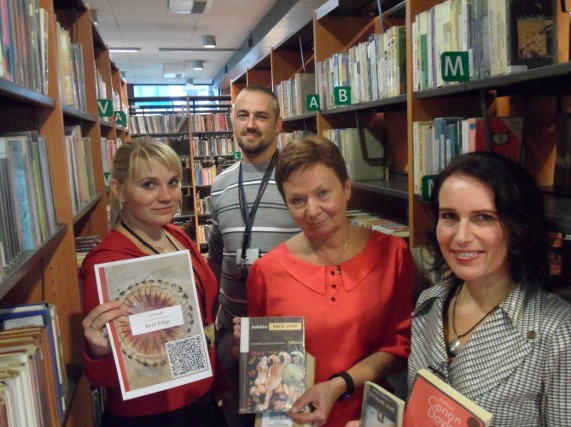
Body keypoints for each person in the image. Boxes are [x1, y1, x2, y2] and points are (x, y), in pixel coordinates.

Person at [407, 151, 571, 426]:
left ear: (519, 226)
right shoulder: (431, 302)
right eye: (450, 216)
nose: (461, 237)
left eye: (484, 217)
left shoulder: (560, 331)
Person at [245, 135, 414, 427]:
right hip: (297, 419)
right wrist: (250, 346)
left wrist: (338, 385)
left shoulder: (393, 254)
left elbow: (400, 348)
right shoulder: (266, 272)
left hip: (367, 417)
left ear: (347, 189)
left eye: (323, 194)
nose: (312, 211)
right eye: (297, 200)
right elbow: (267, 369)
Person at [80, 138, 227, 426]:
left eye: (172, 182)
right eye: (149, 185)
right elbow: (108, 375)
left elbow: (195, 322)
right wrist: (99, 350)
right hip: (150, 413)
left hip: (197, 396)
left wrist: (212, 384)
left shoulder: (178, 236)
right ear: (119, 189)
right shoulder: (106, 262)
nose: (166, 196)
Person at [207, 85, 300, 426]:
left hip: (285, 333)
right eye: (243, 115)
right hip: (230, 330)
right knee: (236, 419)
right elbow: (217, 254)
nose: (250, 124)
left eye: (261, 116)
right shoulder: (220, 185)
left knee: (281, 420)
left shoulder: (298, 180)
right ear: (232, 121)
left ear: (278, 124)